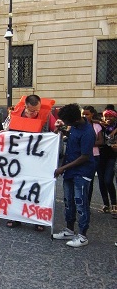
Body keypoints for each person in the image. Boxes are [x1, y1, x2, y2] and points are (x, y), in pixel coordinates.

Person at [3, 94, 56, 230]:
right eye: (32, 110)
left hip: (38, 160)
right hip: (17, 160)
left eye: (37, 110)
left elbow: (54, 130)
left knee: (37, 189)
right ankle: (14, 216)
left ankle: (38, 219)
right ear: (25, 107)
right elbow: (6, 130)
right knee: (15, 187)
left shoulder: (47, 115)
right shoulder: (14, 114)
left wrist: (59, 128)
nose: (35, 113)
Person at [53, 103, 95, 247]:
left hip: (82, 172)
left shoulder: (88, 132)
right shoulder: (76, 127)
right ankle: (69, 229)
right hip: (70, 171)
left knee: (81, 203)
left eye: (66, 121)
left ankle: (83, 235)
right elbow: (72, 139)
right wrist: (63, 131)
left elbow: (85, 156)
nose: (65, 123)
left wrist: (62, 168)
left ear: (74, 120)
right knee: (68, 201)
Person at [81, 106, 104, 208]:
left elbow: (100, 141)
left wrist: (88, 143)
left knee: (89, 181)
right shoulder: (79, 126)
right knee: (81, 181)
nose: (85, 116)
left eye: (87, 114)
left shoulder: (96, 126)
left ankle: (87, 204)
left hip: (94, 156)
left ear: (92, 114)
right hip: (81, 157)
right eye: (83, 114)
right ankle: (81, 203)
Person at [97, 109, 117, 215]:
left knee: (108, 180)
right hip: (100, 157)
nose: (108, 119)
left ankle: (114, 204)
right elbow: (91, 120)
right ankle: (106, 204)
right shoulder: (101, 127)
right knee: (101, 181)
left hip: (111, 157)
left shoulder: (115, 128)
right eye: (106, 117)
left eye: (111, 117)